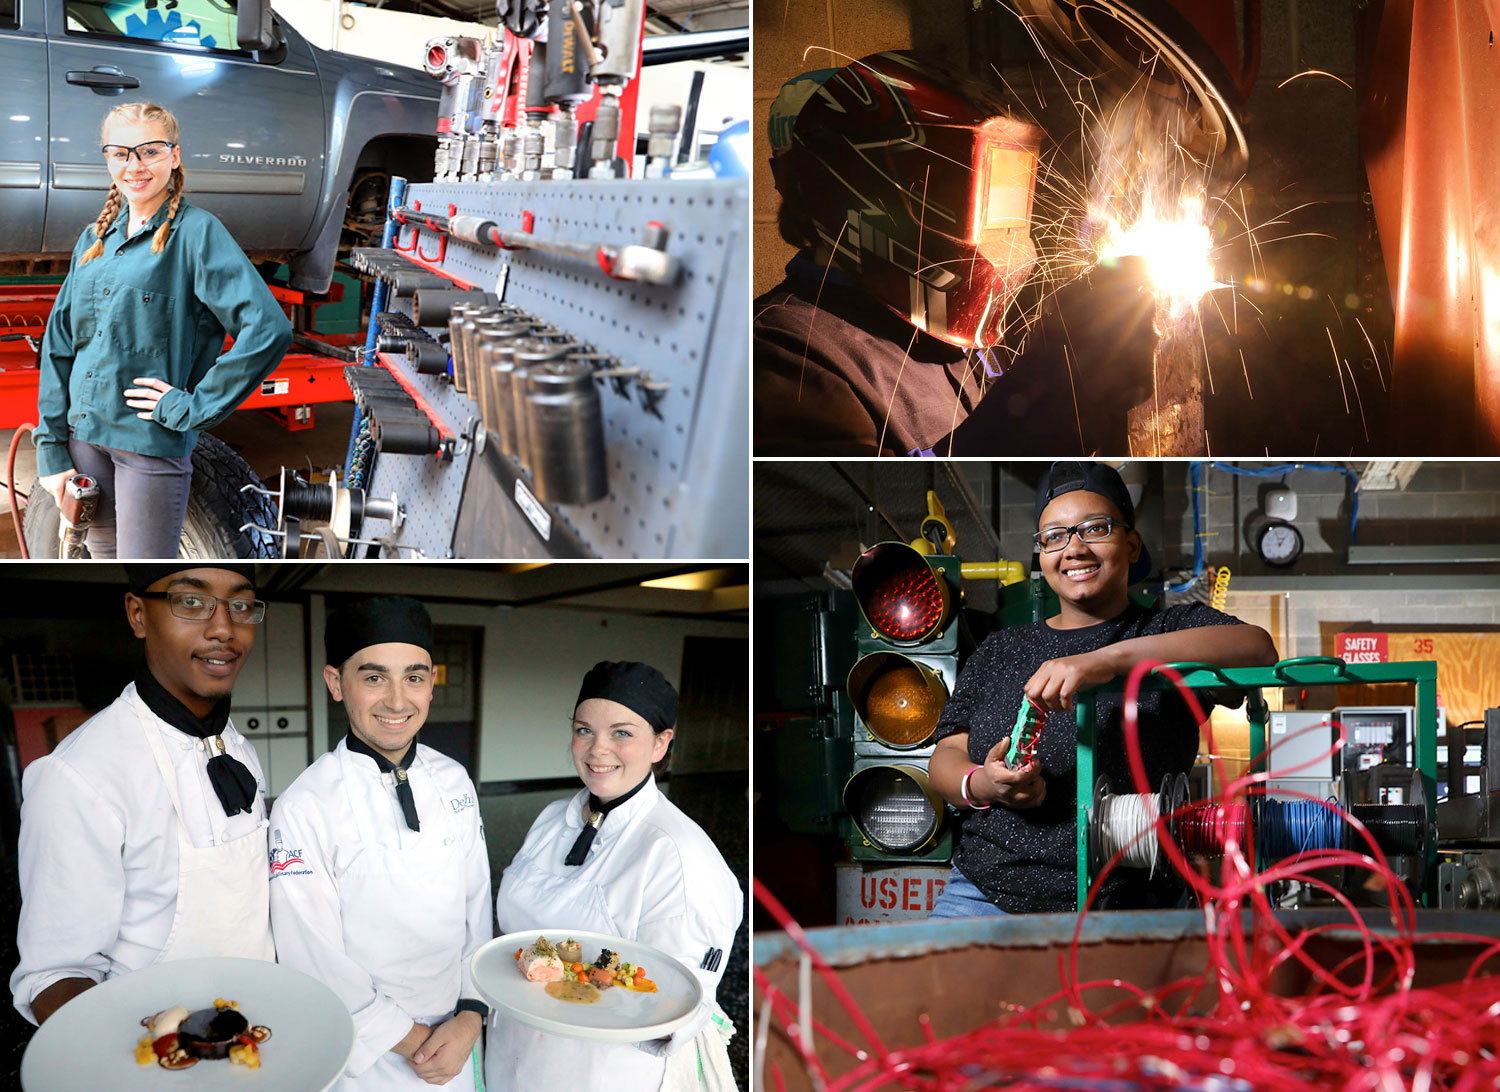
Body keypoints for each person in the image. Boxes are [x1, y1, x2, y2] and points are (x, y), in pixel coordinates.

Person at [754, 55, 1155, 457]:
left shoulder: (946, 324)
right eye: (945, 189)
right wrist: (1046, 394)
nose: (1002, 237)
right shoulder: (782, 358)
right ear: (862, 187)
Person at [927, 462, 1278, 915]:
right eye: (1054, 537)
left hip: (1129, 902)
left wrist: (1105, 661)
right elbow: (945, 757)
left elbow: (1256, 647)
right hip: (984, 894)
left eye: (1095, 528)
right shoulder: (1001, 649)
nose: (1074, 549)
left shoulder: (1170, 629)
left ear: (1132, 545)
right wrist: (985, 785)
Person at [11, 564, 273, 1024]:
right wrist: (145, 1055)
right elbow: (54, 975)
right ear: (137, 615)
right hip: (152, 1054)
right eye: (190, 602)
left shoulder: (237, 746)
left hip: (261, 1028)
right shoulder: (78, 775)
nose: (223, 629)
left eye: (241, 604)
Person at [32, 101, 293, 558]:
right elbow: (59, 344)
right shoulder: (93, 237)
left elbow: (267, 329)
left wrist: (190, 407)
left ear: (174, 156)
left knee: (146, 572)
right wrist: (52, 449)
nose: (135, 166)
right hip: (84, 438)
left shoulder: (197, 235)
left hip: (147, 445)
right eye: (120, 153)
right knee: (103, 565)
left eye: (150, 151)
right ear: (108, 159)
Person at [269, 596, 491, 1091]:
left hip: (457, 1042)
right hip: (365, 1056)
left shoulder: (454, 780)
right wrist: (417, 1041)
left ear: (431, 683)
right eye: (373, 678)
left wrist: (472, 1014)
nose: (396, 700)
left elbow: (477, 906)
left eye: (413, 677)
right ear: (335, 684)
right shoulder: (304, 806)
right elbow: (311, 956)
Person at [488, 661, 744, 1092]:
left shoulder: (677, 852)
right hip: (511, 1051)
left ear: (661, 744)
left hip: (596, 1072)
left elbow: (681, 999)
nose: (596, 750)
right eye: (584, 730)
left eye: (622, 733)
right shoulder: (553, 818)